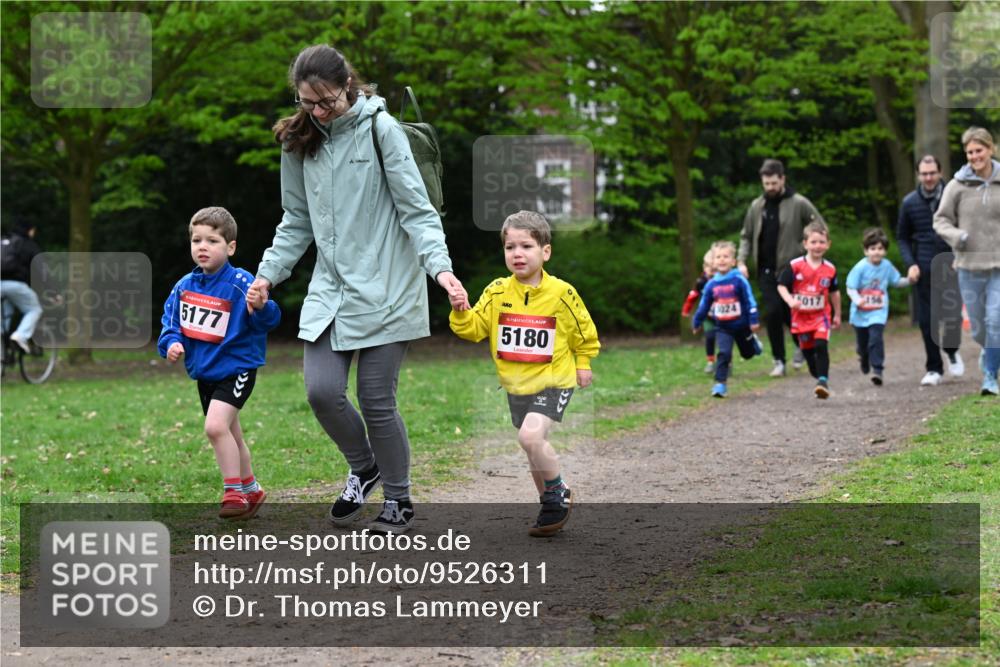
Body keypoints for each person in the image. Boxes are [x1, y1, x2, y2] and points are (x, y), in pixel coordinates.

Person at [248, 44, 469, 534]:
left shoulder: (381, 129)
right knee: (321, 392)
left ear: (347, 85)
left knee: (375, 400)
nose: (319, 111)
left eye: (326, 100)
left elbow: (417, 211)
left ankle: (398, 500)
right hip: (332, 290)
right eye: (308, 102)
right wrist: (267, 275)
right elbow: (296, 220)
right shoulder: (300, 142)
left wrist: (442, 270)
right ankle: (365, 467)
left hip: (390, 285)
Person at [449, 211, 599, 537]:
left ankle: (559, 491)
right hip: (516, 385)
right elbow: (474, 329)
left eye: (526, 246)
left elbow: (583, 331)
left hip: (554, 380)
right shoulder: (497, 291)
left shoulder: (561, 293)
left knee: (530, 437)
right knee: (533, 447)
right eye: (510, 247)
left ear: (545, 252)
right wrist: (460, 310)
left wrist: (584, 363)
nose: (517, 253)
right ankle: (549, 505)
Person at [158, 207, 281, 519]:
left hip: (237, 369)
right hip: (205, 374)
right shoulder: (184, 286)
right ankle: (252, 489)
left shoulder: (242, 282)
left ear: (230, 247)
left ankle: (233, 493)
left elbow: (268, 320)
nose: (202, 246)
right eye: (196, 240)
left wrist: (260, 307)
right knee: (231, 435)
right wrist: (171, 343)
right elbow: (171, 323)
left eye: (212, 241)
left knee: (215, 427)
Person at [738, 159, 825, 378]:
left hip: (792, 270)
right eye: (766, 183)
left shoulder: (798, 203)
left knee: (791, 313)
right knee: (773, 312)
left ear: (783, 179)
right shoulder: (757, 206)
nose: (770, 187)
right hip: (766, 270)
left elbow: (820, 228)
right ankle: (779, 360)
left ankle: (803, 346)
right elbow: (746, 236)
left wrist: (806, 251)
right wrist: (741, 261)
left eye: (774, 183)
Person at [933, 126, 1000, 397]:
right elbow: (940, 220)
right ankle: (989, 351)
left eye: (979, 150)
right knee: (979, 329)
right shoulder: (957, 186)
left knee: (995, 320)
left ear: (990, 149)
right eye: (970, 152)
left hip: (998, 267)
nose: (974, 156)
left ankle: (990, 376)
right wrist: (957, 236)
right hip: (969, 268)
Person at [897, 155, 965, 386]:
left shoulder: (954, 196)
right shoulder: (909, 203)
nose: (928, 178)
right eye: (924, 174)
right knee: (927, 321)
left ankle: (952, 350)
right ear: (918, 175)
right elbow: (902, 237)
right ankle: (934, 368)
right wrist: (910, 264)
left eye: (932, 173)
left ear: (940, 172)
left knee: (952, 315)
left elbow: (964, 229)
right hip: (923, 268)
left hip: (951, 264)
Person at [777, 221, 842, 399]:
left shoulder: (830, 269)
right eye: (813, 242)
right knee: (808, 352)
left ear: (828, 244)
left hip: (821, 315)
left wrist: (837, 314)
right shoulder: (795, 266)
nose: (817, 246)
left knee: (821, 345)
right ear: (805, 244)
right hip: (800, 317)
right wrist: (790, 300)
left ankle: (823, 381)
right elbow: (781, 286)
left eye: (822, 242)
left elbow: (835, 293)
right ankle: (817, 373)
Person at [692, 241, 763, 398]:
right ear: (713, 262)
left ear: (733, 261)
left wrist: (753, 319)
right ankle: (720, 384)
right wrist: (697, 322)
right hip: (723, 327)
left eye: (726, 256)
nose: (722, 260)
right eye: (718, 257)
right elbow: (704, 305)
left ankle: (753, 343)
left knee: (747, 354)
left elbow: (750, 300)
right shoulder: (711, 285)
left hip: (742, 325)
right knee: (724, 353)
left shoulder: (739, 280)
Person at [845, 227, 913, 386]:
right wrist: (857, 300)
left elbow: (896, 281)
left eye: (880, 248)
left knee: (876, 338)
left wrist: (910, 280)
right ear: (865, 251)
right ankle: (863, 357)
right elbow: (850, 287)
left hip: (878, 312)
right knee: (863, 344)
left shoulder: (887, 266)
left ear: (885, 251)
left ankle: (877, 370)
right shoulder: (860, 268)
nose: (876, 252)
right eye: (872, 248)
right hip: (860, 313)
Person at [0, 220, 44, 353]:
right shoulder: (27, 244)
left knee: (4, 318)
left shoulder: (4, 242)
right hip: (16, 285)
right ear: (29, 230)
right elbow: (41, 270)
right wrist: (54, 292)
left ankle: (2, 354)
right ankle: (21, 335)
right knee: (34, 309)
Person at [681, 248, 718, 373]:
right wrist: (687, 309)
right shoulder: (701, 282)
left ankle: (726, 362)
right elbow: (693, 295)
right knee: (710, 336)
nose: (711, 269)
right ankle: (710, 361)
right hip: (708, 316)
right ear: (704, 267)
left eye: (713, 266)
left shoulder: (724, 281)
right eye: (707, 266)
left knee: (724, 340)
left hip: (723, 316)